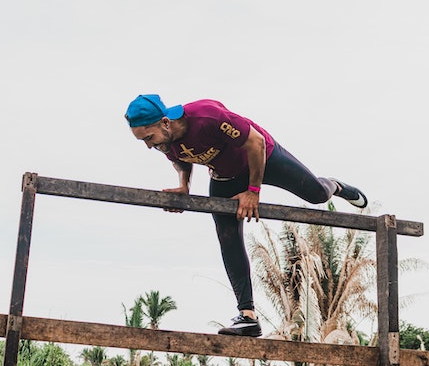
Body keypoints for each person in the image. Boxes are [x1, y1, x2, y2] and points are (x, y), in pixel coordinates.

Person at [124, 94, 368, 337]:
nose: (148, 145)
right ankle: (248, 316)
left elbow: (256, 142)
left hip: (263, 157)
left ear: (165, 122)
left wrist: (253, 191)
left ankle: (335, 185)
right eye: (142, 140)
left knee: (316, 194)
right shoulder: (164, 140)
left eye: (148, 137)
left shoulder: (206, 116)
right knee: (227, 236)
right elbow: (180, 157)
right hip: (225, 176)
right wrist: (184, 186)